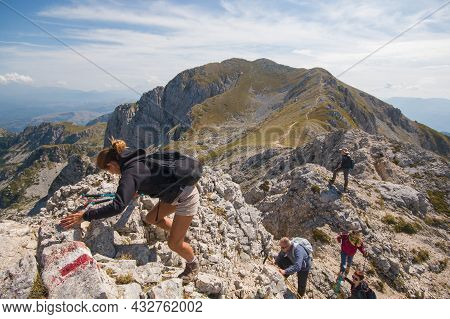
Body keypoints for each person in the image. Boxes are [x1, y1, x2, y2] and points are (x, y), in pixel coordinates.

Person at [60, 139, 202, 283]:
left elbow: (117, 206)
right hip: (173, 193)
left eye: (109, 171)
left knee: (173, 245)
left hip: (186, 197)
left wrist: (86, 216)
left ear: (111, 165)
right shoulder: (130, 156)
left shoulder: (129, 173)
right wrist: (135, 190)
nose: (112, 174)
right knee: (151, 219)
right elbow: (146, 175)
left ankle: (192, 264)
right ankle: (181, 234)